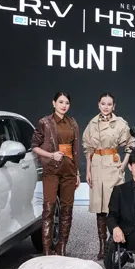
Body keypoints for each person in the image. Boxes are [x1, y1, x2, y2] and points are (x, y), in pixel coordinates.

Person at [83, 92, 135, 260]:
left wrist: (124, 164)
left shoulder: (120, 123)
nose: (106, 107)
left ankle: (123, 246)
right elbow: (87, 149)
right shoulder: (92, 123)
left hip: (113, 167)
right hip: (96, 166)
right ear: (98, 104)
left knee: (116, 208)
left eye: (109, 104)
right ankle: (103, 247)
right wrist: (88, 171)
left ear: (114, 106)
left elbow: (131, 143)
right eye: (103, 103)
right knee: (100, 210)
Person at [31, 92, 81, 256]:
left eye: (67, 102)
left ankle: (61, 248)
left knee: (67, 210)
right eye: (60, 102)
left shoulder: (72, 123)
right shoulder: (45, 122)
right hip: (51, 170)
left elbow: (75, 150)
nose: (64, 105)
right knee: (49, 208)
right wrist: (51, 155)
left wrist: (77, 173)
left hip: (69, 170)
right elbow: (34, 146)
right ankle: (47, 250)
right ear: (54, 103)